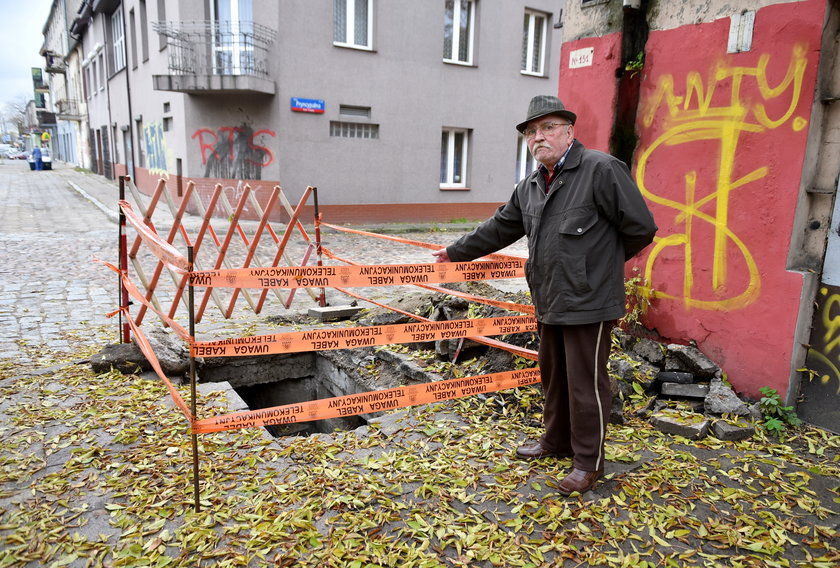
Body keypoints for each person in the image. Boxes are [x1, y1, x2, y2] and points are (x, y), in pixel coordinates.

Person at [433, 95, 657, 495]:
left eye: (548, 128)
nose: (539, 137)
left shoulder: (601, 170)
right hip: (550, 297)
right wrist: (453, 252)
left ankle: (588, 462)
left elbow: (640, 227)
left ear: (569, 131)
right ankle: (555, 441)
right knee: (553, 375)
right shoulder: (532, 184)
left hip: (589, 301)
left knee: (585, 384)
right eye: (532, 132)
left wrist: (598, 266)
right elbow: (499, 228)